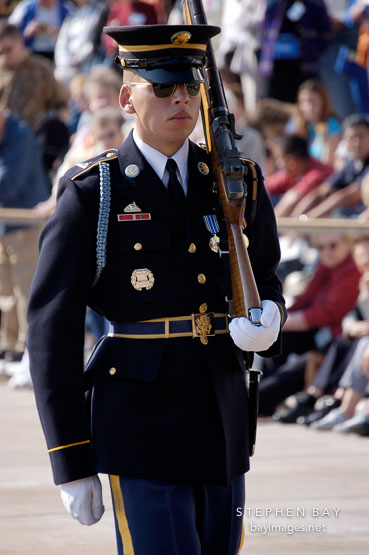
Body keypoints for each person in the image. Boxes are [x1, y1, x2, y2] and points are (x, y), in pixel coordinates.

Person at [27, 23, 286, 554]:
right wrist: (69, 458)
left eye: (190, 87)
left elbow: (265, 274)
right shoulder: (94, 192)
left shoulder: (237, 182)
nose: (181, 99)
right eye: (163, 87)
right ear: (127, 96)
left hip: (220, 417)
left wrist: (271, 319)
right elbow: (51, 330)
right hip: (139, 425)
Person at [259, 232, 361, 416]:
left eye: (333, 246)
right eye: (321, 248)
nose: (327, 252)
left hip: (339, 341)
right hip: (322, 334)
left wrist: (283, 321)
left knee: (300, 365)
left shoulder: (351, 270)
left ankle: (259, 399)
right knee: (278, 338)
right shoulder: (327, 266)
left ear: (348, 244)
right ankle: (259, 397)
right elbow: (306, 301)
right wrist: (281, 320)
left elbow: (328, 313)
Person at [0, 108, 49, 362]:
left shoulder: (21, 135)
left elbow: (9, 183)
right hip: (5, 223)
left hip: (26, 223)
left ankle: (26, 347)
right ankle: (10, 344)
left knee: (25, 290)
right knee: (6, 290)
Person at [292, 113, 369, 218]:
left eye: (361, 136)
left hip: (361, 220)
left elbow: (350, 194)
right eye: (352, 138)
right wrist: (297, 219)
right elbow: (323, 190)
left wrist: (309, 219)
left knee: (338, 214)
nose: (357, 142)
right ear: (345, 141)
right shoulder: (351, 164)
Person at [0, 22, 69, 129]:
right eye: (1, 52)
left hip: (34, 136)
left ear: (20, 41)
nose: (5, 56)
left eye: (9, 49)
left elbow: (61, 105)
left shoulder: (41, 69)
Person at [267, 134, 334, 217]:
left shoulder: (318, 173)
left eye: (278, 158)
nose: (277, 163)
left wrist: (267, 228)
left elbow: (293, 198)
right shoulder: (294, 171)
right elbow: (266, 185)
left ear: (291, 160)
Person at [286, 79, 342, 166]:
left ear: (323, 103)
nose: (308, 107)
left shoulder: (332, 124)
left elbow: (328, 163)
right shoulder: (299, 126)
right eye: (304, 102)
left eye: (313, 101)